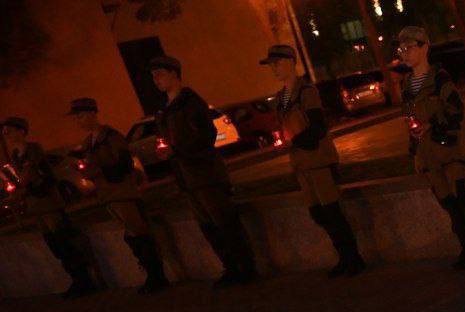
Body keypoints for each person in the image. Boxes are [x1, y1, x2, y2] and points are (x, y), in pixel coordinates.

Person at [149, 54, 257, 286]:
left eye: (160, 74)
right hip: (187, 178)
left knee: (225, 222)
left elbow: (205, 137)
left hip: (206, 175)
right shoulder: (165, 109)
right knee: (208, 226)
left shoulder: (191, 103)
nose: (155, 80)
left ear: (174, 75)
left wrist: (177, 151)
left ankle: (246, 268)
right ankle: (230, 268)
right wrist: (167, 151)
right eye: (153, 76)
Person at [260, 44, 365, 277]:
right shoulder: (281, 98)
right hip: (301, 164)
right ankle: (345, 256)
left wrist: (296, 140)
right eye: (271, 65)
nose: (274, 69)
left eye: (277, 63)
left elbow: (317, 126)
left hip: (317, 160)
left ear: (290, 62)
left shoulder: (306, 91)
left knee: (331, 211)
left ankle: (352, 258)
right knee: (318, 213)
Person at [395, 26, 465, 270]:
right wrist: (414, 148)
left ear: (424, 47)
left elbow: (457, 111)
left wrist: (431, 124)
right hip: (429, 157)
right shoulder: (405, 86)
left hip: (451, 153)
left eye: (409, 47)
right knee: (451, 208)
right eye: (401, 49)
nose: (404, 53)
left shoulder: (440, 78)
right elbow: (407, 118)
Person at [68, 98, 168, 294]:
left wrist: (95, 170)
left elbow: (123, 165)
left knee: (138, 232)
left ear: (91, 114)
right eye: (76, 118)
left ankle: (157, 276)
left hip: (122, 192)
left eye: (80, 116)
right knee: (131, 234)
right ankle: (152, 274)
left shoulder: (111, 136)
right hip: (108, 195)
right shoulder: (88, 142)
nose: (77, 121)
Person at [1, 116, 97, 298]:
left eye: (10, 131)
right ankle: (76, 279)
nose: (7, 135)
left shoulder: (32, 150)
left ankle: (84, 280)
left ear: (21, 132)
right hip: (35, 205)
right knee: (53, 243)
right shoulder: (15, 155)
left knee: (62, 239)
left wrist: (22, 187)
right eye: (5, 132)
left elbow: (33, 174)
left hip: (47, 201)